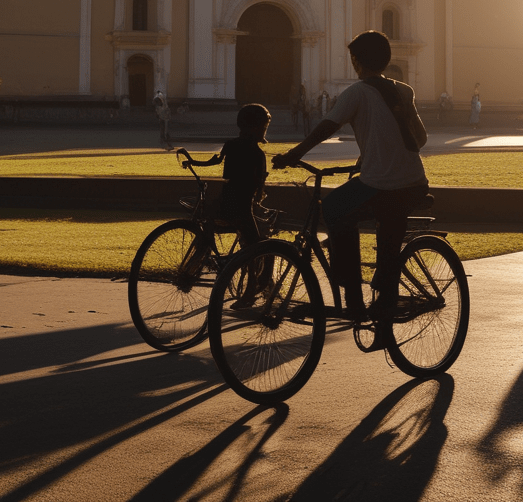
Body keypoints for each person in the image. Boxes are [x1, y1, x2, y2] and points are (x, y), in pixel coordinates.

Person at [273, 31, 429, 345]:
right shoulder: (404, 90)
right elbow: (420, 139)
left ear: (356, 61)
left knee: (333, 209)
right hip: (413, 183)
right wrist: (372, 152)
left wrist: (294, 154)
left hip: (381, 184)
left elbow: (326, 128)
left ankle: (353, 292)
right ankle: (382, 325)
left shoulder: (356, 92)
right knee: (387, 250)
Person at [183, 103, 271, 251]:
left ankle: (206, 249)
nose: (264, 132)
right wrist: (259, 195)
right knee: (256, 247)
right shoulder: (257, 154)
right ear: (255, 127)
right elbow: (260, 183)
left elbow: (214, 161)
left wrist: (193, 162)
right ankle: (254, 271)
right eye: (263, 128)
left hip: (224, 202)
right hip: (243, 208)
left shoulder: (231, 145)